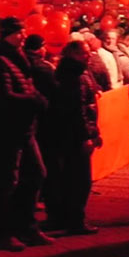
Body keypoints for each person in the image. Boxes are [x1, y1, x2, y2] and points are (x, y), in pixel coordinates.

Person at [0, 18, 52, 250]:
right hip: (6, 130)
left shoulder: (18, 59)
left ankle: (26, 225)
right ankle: (5, 231)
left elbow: (25, 85)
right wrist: (33, 100)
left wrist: (35, 97)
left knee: (36, 174)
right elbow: (3, 96)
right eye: (19, 33)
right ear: (8, 35)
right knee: (6, 182)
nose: (23, 37)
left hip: (24, 128)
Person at [43, 40, 101, 235]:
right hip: (74, 136)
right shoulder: (74, 76)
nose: (89, 55)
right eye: (85, 53)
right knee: (79, 179)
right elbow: (78, 109)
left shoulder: (75, 72)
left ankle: (63, 217)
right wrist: (87, 135)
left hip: (68, 134)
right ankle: (76, 219)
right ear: (73, 54)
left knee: (69, 177)